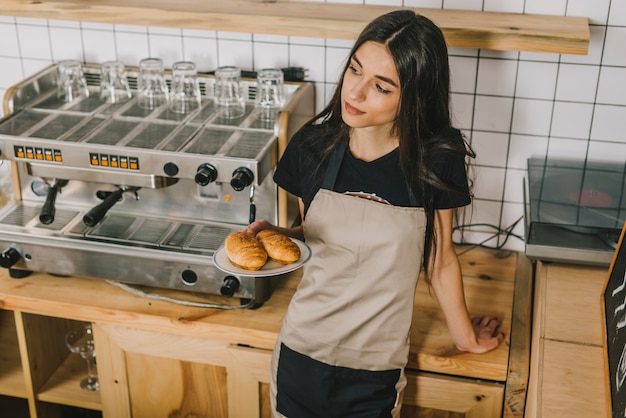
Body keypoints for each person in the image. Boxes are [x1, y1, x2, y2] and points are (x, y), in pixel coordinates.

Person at [244, 9, 505, 418]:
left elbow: (439, 260)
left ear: (414, 97)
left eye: (381, 87)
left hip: (376, 367)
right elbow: (313, 236)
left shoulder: (436, 158)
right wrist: (274, 235)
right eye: (354, 70)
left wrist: (466, 338)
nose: (356, 93)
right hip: (301, 350)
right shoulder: (312, 146)